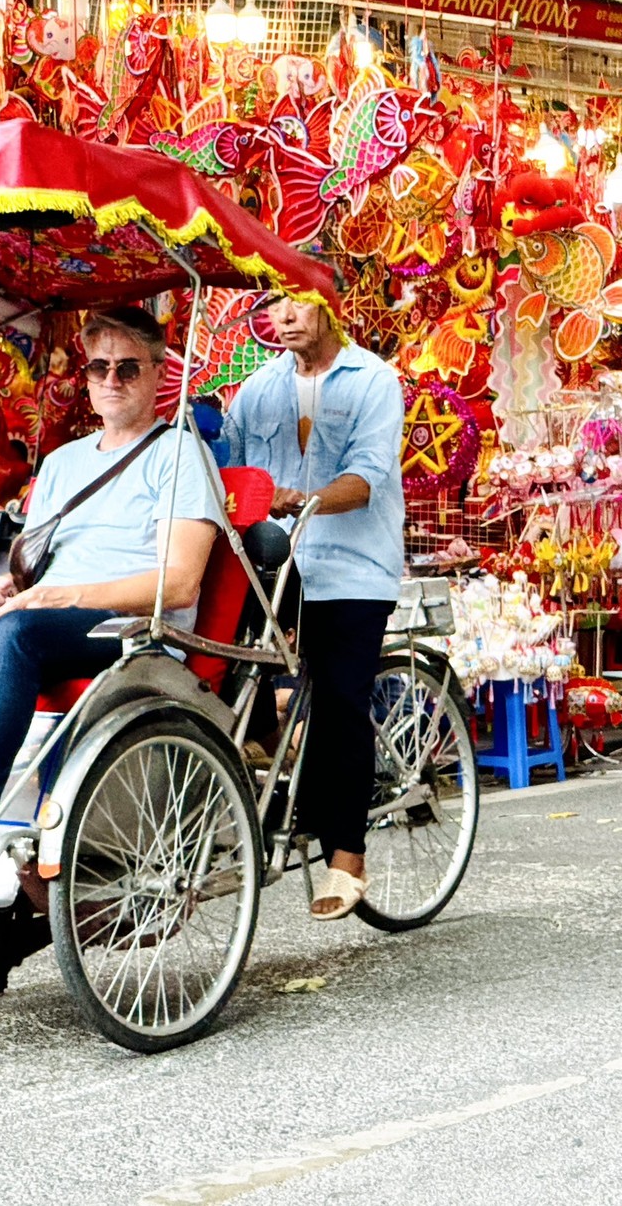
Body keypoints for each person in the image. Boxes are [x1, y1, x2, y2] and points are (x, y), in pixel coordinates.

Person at [0, 306, 226, 884]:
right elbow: (36, 560)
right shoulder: (61, 463)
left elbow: (179, 582)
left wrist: (62, 596)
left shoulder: (178, 455)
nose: (111, 381)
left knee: (16, 634)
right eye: (99, 368)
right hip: (45, 613)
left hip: (129, 628)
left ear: (157, 373)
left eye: (128, 369)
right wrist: (15, 581)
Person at [223, 296, 404, 922]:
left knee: (338, 699)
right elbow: (233, 475)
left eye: (298, 302)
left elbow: (367, 475)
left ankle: (347, 856)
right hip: (272, 562)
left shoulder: (374, 380)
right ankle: (273, 745)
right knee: (219, 668)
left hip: (351, 565)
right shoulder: (254, 391)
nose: (286, 318)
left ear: (330, 305)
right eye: (274, 307)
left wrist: (307, 498)